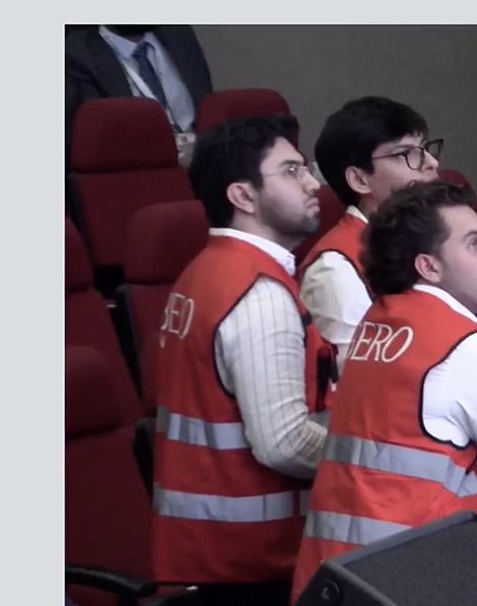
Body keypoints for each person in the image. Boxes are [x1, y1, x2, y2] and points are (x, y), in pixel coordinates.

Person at [291, 181, 477, 602]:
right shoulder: (464, 344)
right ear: (428, 266)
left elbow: (418, 438)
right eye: (473, 244)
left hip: (332, 582)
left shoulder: (373, 325)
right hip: (407, 581)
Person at [151, 115, 336, 606]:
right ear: (243, 196)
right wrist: (375, 457)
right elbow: (283, 444)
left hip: (209, 553)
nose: (312, 183)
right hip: (251, 566)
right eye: (291, 171)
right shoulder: (258, 292)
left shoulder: (205, 271)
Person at [299, 96, 442, 387]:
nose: (431, 163)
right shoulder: (335, 270)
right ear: (359, 180)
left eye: (425, 148)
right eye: (406, 153)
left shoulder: (429, 238)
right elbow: (361, 386)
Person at [65, 24, 213, 162]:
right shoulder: (76, 54)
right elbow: (97, 142)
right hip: (139, 168)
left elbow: (207, 110)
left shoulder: (180, 35)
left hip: (203, 164)